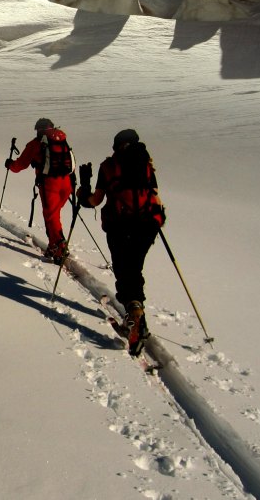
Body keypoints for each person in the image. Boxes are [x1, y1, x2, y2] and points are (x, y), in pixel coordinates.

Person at [76, 129, 166, 355]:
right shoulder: (146, 163)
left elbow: (95, 200)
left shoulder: (108, 166)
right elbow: (154, 195)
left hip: (120, 226)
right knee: (134, 269)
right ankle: (138, 316)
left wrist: (82, 191)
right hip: (147, 226)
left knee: (124, 271)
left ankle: (134, 320)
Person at [5, 118, 75, 263]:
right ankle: (52, 245)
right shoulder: (62, 140)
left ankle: (60, 247)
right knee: (54, 215)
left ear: (39, 129)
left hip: (50, 184)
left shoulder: (36, 144)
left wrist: (10, 164)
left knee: (51, 216)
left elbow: (20, 165)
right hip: (67, 183)